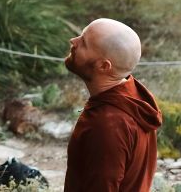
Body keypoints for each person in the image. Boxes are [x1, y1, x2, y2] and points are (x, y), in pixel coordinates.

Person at [63, 18, 163, 192]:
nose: (73, 41)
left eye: (84, 42)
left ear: (103, 66)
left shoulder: (107, 124)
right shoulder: (133, 97)